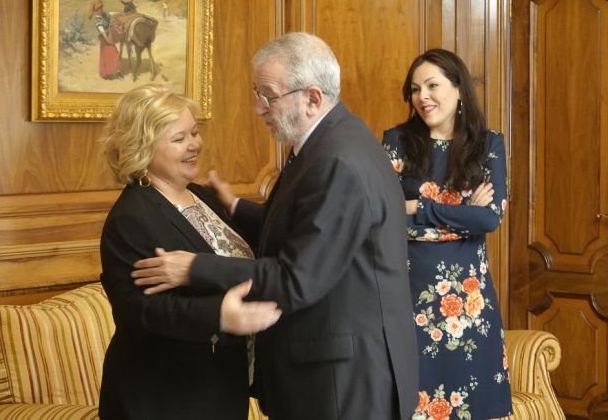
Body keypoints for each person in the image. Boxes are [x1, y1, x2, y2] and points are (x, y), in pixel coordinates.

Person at [131, 32, 419, 420]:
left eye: (268, 96)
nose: (258, 108)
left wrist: (193, 268)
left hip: (341, 383)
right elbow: (305, 228)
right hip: (336, 373)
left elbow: (298, 278)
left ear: (312, 98)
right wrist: (234, 207)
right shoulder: (331, 143)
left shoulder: (336, 162)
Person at [98, 84, 281, 420]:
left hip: (218, 386)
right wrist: (219, 316)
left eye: (194, 133)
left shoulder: (201, 196)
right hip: (163, 396)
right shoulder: (130, 218)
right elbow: (143, 309)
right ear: (143, 148)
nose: (195, 144)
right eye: (179, 138)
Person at [382, 49, 513, 419]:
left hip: (470, 308)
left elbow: (489, 219)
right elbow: (381, 213)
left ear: (459, 89)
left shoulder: (489, 145)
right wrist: (461, 216)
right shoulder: (397, 142)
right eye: (415, 88)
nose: (422, 96)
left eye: (432, 85)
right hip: (408, 300)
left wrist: (418, 208)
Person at [88, 0, 122, 80]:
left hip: (109, 36)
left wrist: (120, 13)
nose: (102, 9)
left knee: (114, 54)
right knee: (108, 56)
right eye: (100, 8)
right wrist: (109, 41)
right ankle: (107, 73)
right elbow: (102, 32)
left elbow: (112, 13)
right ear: (96, 10)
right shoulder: (97, 20)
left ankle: (116, 72)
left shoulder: (104, 14)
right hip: (105, 40)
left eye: (102, 8)